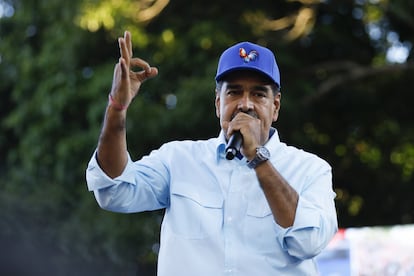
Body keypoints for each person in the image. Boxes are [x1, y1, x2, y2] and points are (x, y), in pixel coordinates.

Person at [86, 31, 338, 275]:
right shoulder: (178, 160)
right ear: (218, 104)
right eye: (234, 92)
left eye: (259, 94)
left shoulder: (310, 169)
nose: (245, 104)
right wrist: (117, 108)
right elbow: (113, 190)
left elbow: (308, 242)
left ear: (275, 107)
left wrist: (258, 158)